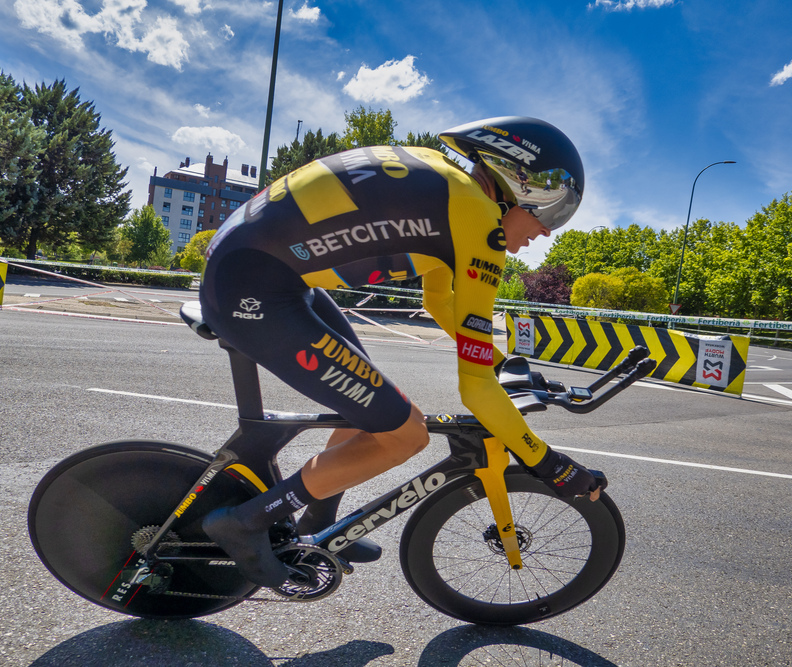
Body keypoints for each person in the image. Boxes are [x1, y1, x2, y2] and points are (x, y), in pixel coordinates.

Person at [198, 116, 598, 591]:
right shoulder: (479, 221)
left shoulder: (449, 185)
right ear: (518, 181)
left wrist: (499, 361)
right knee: (406, 433)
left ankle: (318, 525)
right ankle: (244, 523)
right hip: (257, 291)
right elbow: (475, 390)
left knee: (367, 401)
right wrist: (551, 464)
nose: (547, 231)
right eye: (550, 212)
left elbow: (439, 301)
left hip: (260, 274)